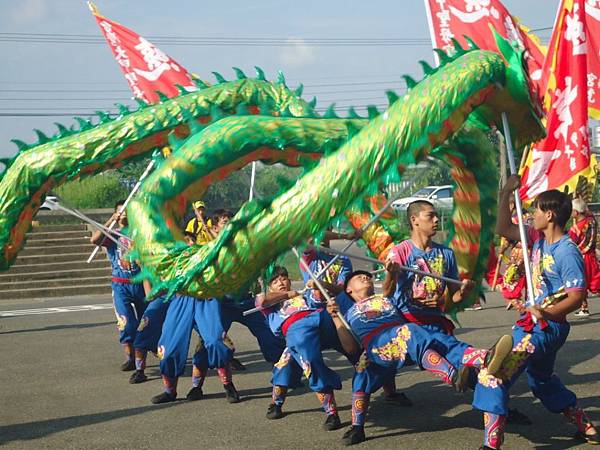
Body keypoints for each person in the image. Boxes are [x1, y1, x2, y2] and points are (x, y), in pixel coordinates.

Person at [472, 175, 599, 448]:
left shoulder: (567, 251)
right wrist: (506, 191)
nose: (531, 214)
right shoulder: (536, 238)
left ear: (550, 214)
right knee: (541, 379)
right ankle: (585, 426)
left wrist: (547, 313)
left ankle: (491, 443)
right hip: (536, 325)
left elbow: (577, 296)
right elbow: (503, 227)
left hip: (545, 328)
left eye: (536, 210)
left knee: (494, 375)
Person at [336, 270, 515, 446]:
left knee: (443, 341)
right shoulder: (348, 313)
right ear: (349, 290)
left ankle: (483, 358)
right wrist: (335, 317)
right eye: (358, 277)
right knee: (364, 373)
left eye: (367, 275)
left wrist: (447, 296)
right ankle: (357, 427)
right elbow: (350, 348)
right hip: (378, 345)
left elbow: (397, 292)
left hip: (406, 339)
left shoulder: (387, 300)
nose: (364, 277)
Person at [255, 266, 353, 430]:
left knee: (343, 323)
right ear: (269, 286)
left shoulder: (304, 295)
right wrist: (287, 295)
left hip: (319, 320)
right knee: (288, 366)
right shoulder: (270, 305)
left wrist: (318, 286)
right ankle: (329, 412)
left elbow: (323, 296)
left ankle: (364, 361)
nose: (281, 282)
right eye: (275, 281)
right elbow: (262, 300)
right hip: (296, 331)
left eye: (283, 278)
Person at [90, 200, 147, 371]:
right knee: (126, 323)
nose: (123, 214)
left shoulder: (138, 234)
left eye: (126, 211)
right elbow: (95, 239)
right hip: (120, 285)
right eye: (120, 211)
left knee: (145, 323)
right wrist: (110, 221)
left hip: (140, 283)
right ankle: (130, 357)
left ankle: (140, 362)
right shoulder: (112, 234)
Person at [569, 198, 600, 317]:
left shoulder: (576, 228)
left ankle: (584, 307)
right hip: (591, 256)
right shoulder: (591, 221)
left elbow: (570, 242)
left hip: (580, 257)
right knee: (594, 281)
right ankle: (584, 307)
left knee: (580, 282)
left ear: (576, 213)